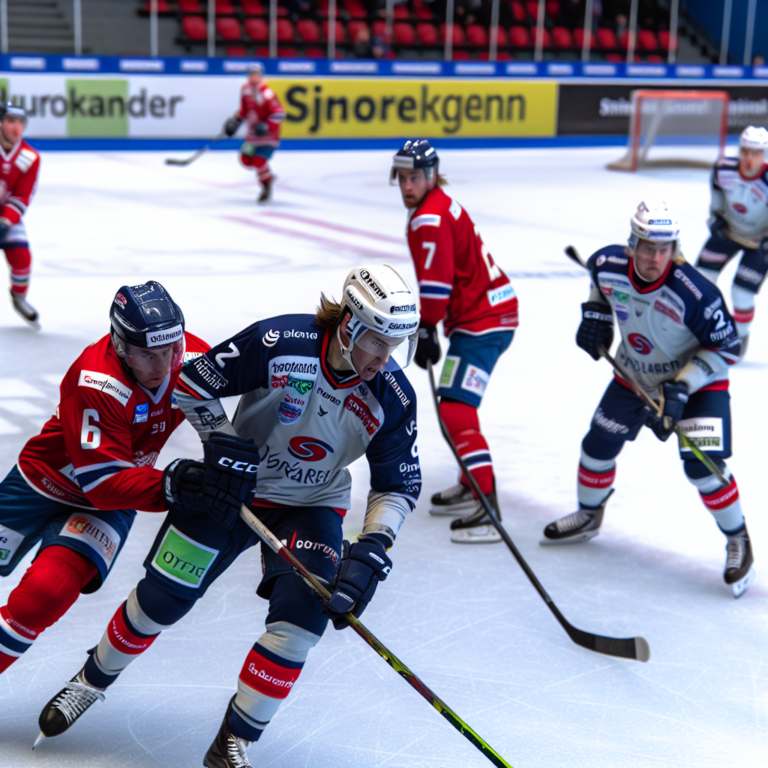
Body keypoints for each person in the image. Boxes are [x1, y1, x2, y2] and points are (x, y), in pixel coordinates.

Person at [37, 265, 422, 768]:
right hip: (231, 491)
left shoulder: (393, 396)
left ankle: (235, 740)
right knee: (160, 598)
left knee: (303, 621)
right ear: (347, 322)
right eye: (375, 339)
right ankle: (90, 680)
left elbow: (398, 485)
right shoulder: (277, 339)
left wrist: (374, 544)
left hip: (312, 505)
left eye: (394, 345)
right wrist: (225, 446)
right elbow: (193, 383)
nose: (382, 358)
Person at [542, 201, 753, 598]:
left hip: (697, 385)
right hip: (633, 375)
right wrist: (596, 316)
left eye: (664, 248)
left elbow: (726, 349)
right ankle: (590, 514)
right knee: (597, 447)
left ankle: (738, 537)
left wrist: (682, 388)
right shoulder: (608, 263)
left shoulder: (697, 294)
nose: (655, 257)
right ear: (631, 245)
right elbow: (597, 277)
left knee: (703, 466)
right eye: (646, 247)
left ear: (674, 248)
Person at [0, 281, 210, 677]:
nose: (163, 366)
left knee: (45, 595)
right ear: (121, 346)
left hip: (111, 500)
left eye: (170, 350)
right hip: (47, 483)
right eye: (148, 355)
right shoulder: (96, 378)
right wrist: (174, 484)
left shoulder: (193, 356)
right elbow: (103, 485)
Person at [391, 139, 518, 544]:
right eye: (402, 178)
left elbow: (436, 284)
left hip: (484, 320)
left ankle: (487, 505)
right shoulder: (441, 203)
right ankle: (471, 483)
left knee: (456, 409)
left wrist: (427, 326)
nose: (407, 185)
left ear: (431, 175)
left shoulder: (428, 218)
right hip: (485, 315)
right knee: (455, 402)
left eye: (414, 177)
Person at [694, 125, 768, 357]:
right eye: (745, 151)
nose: (749, 158)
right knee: (699, 283)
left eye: (756, 153)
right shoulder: (723, 168)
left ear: (764, 155)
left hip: (760, 242)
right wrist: (715, 219)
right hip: (728, 232)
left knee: (741, 293)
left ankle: (740, 336)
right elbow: (717, 197)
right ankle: (695, 331)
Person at [0, 102, 40, 326]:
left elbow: (23, 195)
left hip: (8, 217)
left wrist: (6, 221)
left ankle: (19, 298)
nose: (17, 127)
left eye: (21, 122)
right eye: (11, 121)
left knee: (22, 258)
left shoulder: (29, 157)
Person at [222, 63, 286, 204]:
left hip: (268, 135)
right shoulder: (245, 90)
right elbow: (244, 110)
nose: (254, 77)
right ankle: (267, 177)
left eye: (256, 75)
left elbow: (279, 114)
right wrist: (236, 120)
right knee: (246, 159)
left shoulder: (267, 94)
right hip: (253, 134)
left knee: (258, 160)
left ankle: (266, 186)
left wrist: (267, 126)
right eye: (251, 74)